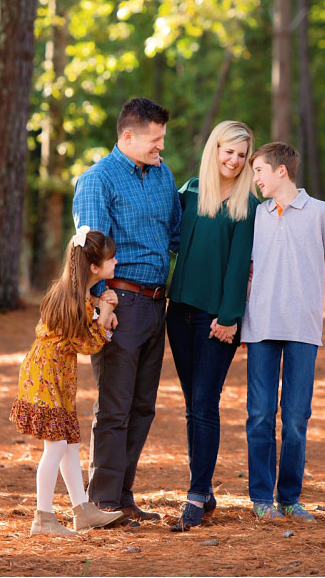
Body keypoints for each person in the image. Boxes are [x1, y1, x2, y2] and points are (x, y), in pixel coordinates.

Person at [72, 97, 181, 522]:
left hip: (156, 304)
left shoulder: (162, 174)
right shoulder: (98, 180)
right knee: (114, 405)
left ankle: (123, 495)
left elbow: (174, 234)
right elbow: (89, 249)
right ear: (128, 136)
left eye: (163, 140)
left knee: (142, 406)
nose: (161, 148)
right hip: (119, 302)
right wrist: (102, 301)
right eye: (155, 141)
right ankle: (102, 502)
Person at [241, 142, 325, 523]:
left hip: (302, 326)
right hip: (261, 325)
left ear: (281, 171)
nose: (256, 179)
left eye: (259, 171)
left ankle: (289, 497)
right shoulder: (257, 215)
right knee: (260, 415)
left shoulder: (320, 212)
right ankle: (261, 498)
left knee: (296, 417)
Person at [165, 121, 259, 531]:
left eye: (242, 155)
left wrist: (229, 318)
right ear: (213, 150)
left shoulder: (247, 206)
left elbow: (240, 266)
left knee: (205, 404)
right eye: (228, 152)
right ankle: (204, 490)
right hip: (178, 312)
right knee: (192, 407)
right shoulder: (188, 192)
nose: (234, 161)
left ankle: (195, 495)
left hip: (215, 319)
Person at [9, 228, 126, 536]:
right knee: (57, 446)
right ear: (93, 268)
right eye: (110, 259)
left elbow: (83, 333)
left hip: (55, 376)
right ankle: (43, 517)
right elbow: (87, 345)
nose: (115, 262)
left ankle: (82, 510)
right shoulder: (75, 300)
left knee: (70, 445)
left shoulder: (75, 295)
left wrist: (102, 311)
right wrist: (107, 312)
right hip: (46, 377)